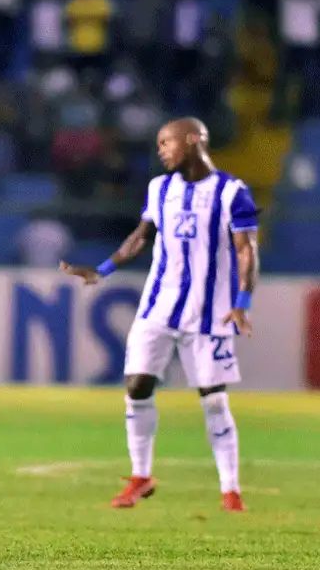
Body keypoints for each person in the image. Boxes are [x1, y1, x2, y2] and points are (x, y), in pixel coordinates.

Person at [60, 117, 258, 513]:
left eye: (166, 142)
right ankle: (141, 475)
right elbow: (141, 237)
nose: (161, 150)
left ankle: (231, 491)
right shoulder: (159, 188)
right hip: (157, 307)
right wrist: (102, 270)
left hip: (209, 314)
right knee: (136, 386)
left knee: (214, 400)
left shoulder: (232, 192)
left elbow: (245, 249)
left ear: (192, 140)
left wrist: (241, 302)